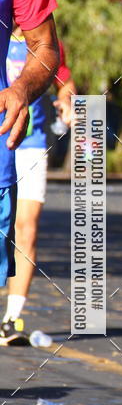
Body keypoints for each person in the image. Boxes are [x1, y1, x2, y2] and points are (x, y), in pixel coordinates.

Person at [0, 34, 75, 344]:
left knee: (26, 228)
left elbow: (65, 81)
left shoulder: (45, 40)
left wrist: (68, 102)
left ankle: (11, 320)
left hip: (31, 144)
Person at [0, 0, 60, 299]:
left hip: (6, 145)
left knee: (29, 226)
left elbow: (47, 48)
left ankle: (14, 314)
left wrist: (21, 90)